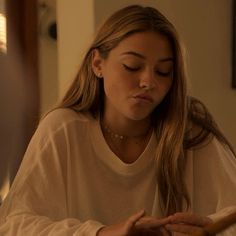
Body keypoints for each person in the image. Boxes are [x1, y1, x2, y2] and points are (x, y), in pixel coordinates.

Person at [0, 4, 236, 236]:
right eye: (132, 66)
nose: (148, 81)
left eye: (163, 71)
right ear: (97, 64)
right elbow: (14, 225)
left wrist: (209, 227)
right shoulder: (63, 129)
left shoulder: (188, 131)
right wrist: (102, 233)